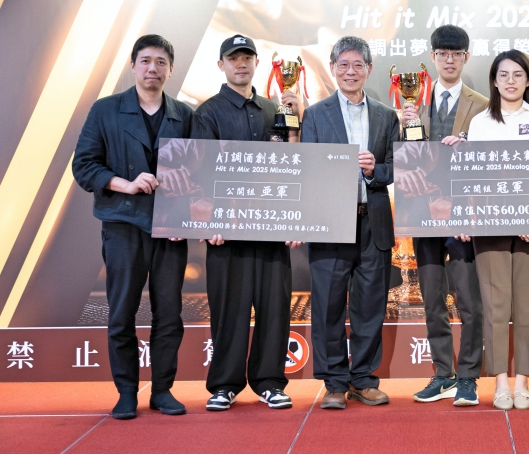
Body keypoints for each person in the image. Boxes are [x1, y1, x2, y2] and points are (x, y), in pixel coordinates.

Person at [72, 35, 192, 420]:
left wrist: (185, 215)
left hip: (170, 228)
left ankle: (162, 390)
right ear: (133, 65)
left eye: (161, 62)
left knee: (169, 313)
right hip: (123, 223)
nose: (152, 68)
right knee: (122, 312)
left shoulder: (184, 114)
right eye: (145, 60)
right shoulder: (106, 110)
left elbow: (198, 174)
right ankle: (126, 392)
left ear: (171, 69)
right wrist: (125, 184)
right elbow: (84, 165)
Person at [192, 34, 301, 412]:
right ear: (221, 64)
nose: (241, 64)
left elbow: (293, 167)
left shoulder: (274, 109)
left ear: (257, 63)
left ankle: (270, 381)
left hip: (271, 228)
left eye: (247, 57)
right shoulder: (207, 113)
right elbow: (200, 173)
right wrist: (209, 221)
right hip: (226, 233)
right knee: (229, 310)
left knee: (275, 308)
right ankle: (224, 384)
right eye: (233, 58)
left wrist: (294, 126)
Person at [300, 36, 400, 410]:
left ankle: (364, 379)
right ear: (332, 68)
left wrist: (376, 171)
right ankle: (334, 383)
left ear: (369, 69)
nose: (350, 71)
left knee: (369, 306)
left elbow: (396, 166)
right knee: (328, 306)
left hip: (373, 222)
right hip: (330, 222)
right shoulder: (315, 114)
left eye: (358, 65)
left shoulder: (386, 115)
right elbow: (308, 169)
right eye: (343, 64)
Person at [397, 25, 488, 406]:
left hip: (463, 215)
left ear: (466, 57)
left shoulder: (482, 106)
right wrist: (404, 126)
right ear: (432, 57)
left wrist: (470, 145)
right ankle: (442, 374)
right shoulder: (412, 102)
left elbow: (489, 163)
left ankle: (468, 377)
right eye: (442, 53)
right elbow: (402, 158)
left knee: (469, 301)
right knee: (432, 298)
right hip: (422, 211)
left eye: (456, 54)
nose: (449, 60)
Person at [460, 50, 529, 410]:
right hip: (490, 225)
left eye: (518, 74)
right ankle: (500, 382)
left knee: (527, 305)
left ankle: (523, 382)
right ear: (494, 81)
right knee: (496, 305)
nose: (510, 81)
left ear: (528, 80)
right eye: (503, 74)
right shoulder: (480, 122)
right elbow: (473, 176)